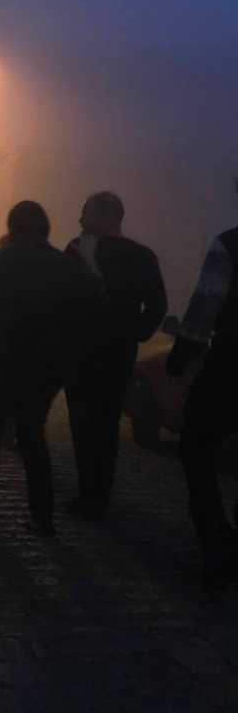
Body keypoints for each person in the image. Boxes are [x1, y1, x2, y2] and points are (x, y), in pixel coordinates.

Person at [0, 202, 99, 535]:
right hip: (43, 372)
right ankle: (42, 518)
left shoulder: (1, 260)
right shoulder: (63, 265)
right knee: (32, 438)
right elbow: (92, 308)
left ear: (12, 226)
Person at [64, 191, 167, 520]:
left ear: (106, 216)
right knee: (107, 424)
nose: (80, 219)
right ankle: (100, 492)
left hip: (81, 351)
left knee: (82, 424)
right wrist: (134, 332)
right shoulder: (143, 256)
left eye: (85, 211)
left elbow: (60, 299)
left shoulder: (77, 251)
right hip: (119, 354)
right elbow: (157, 307)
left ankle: (89, 492)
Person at [166, 224, 238, 586]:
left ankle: (217, 544)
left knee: (196, 446)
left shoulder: (229, 244)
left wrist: (179, 361)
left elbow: (205, 306)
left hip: (231, 362)